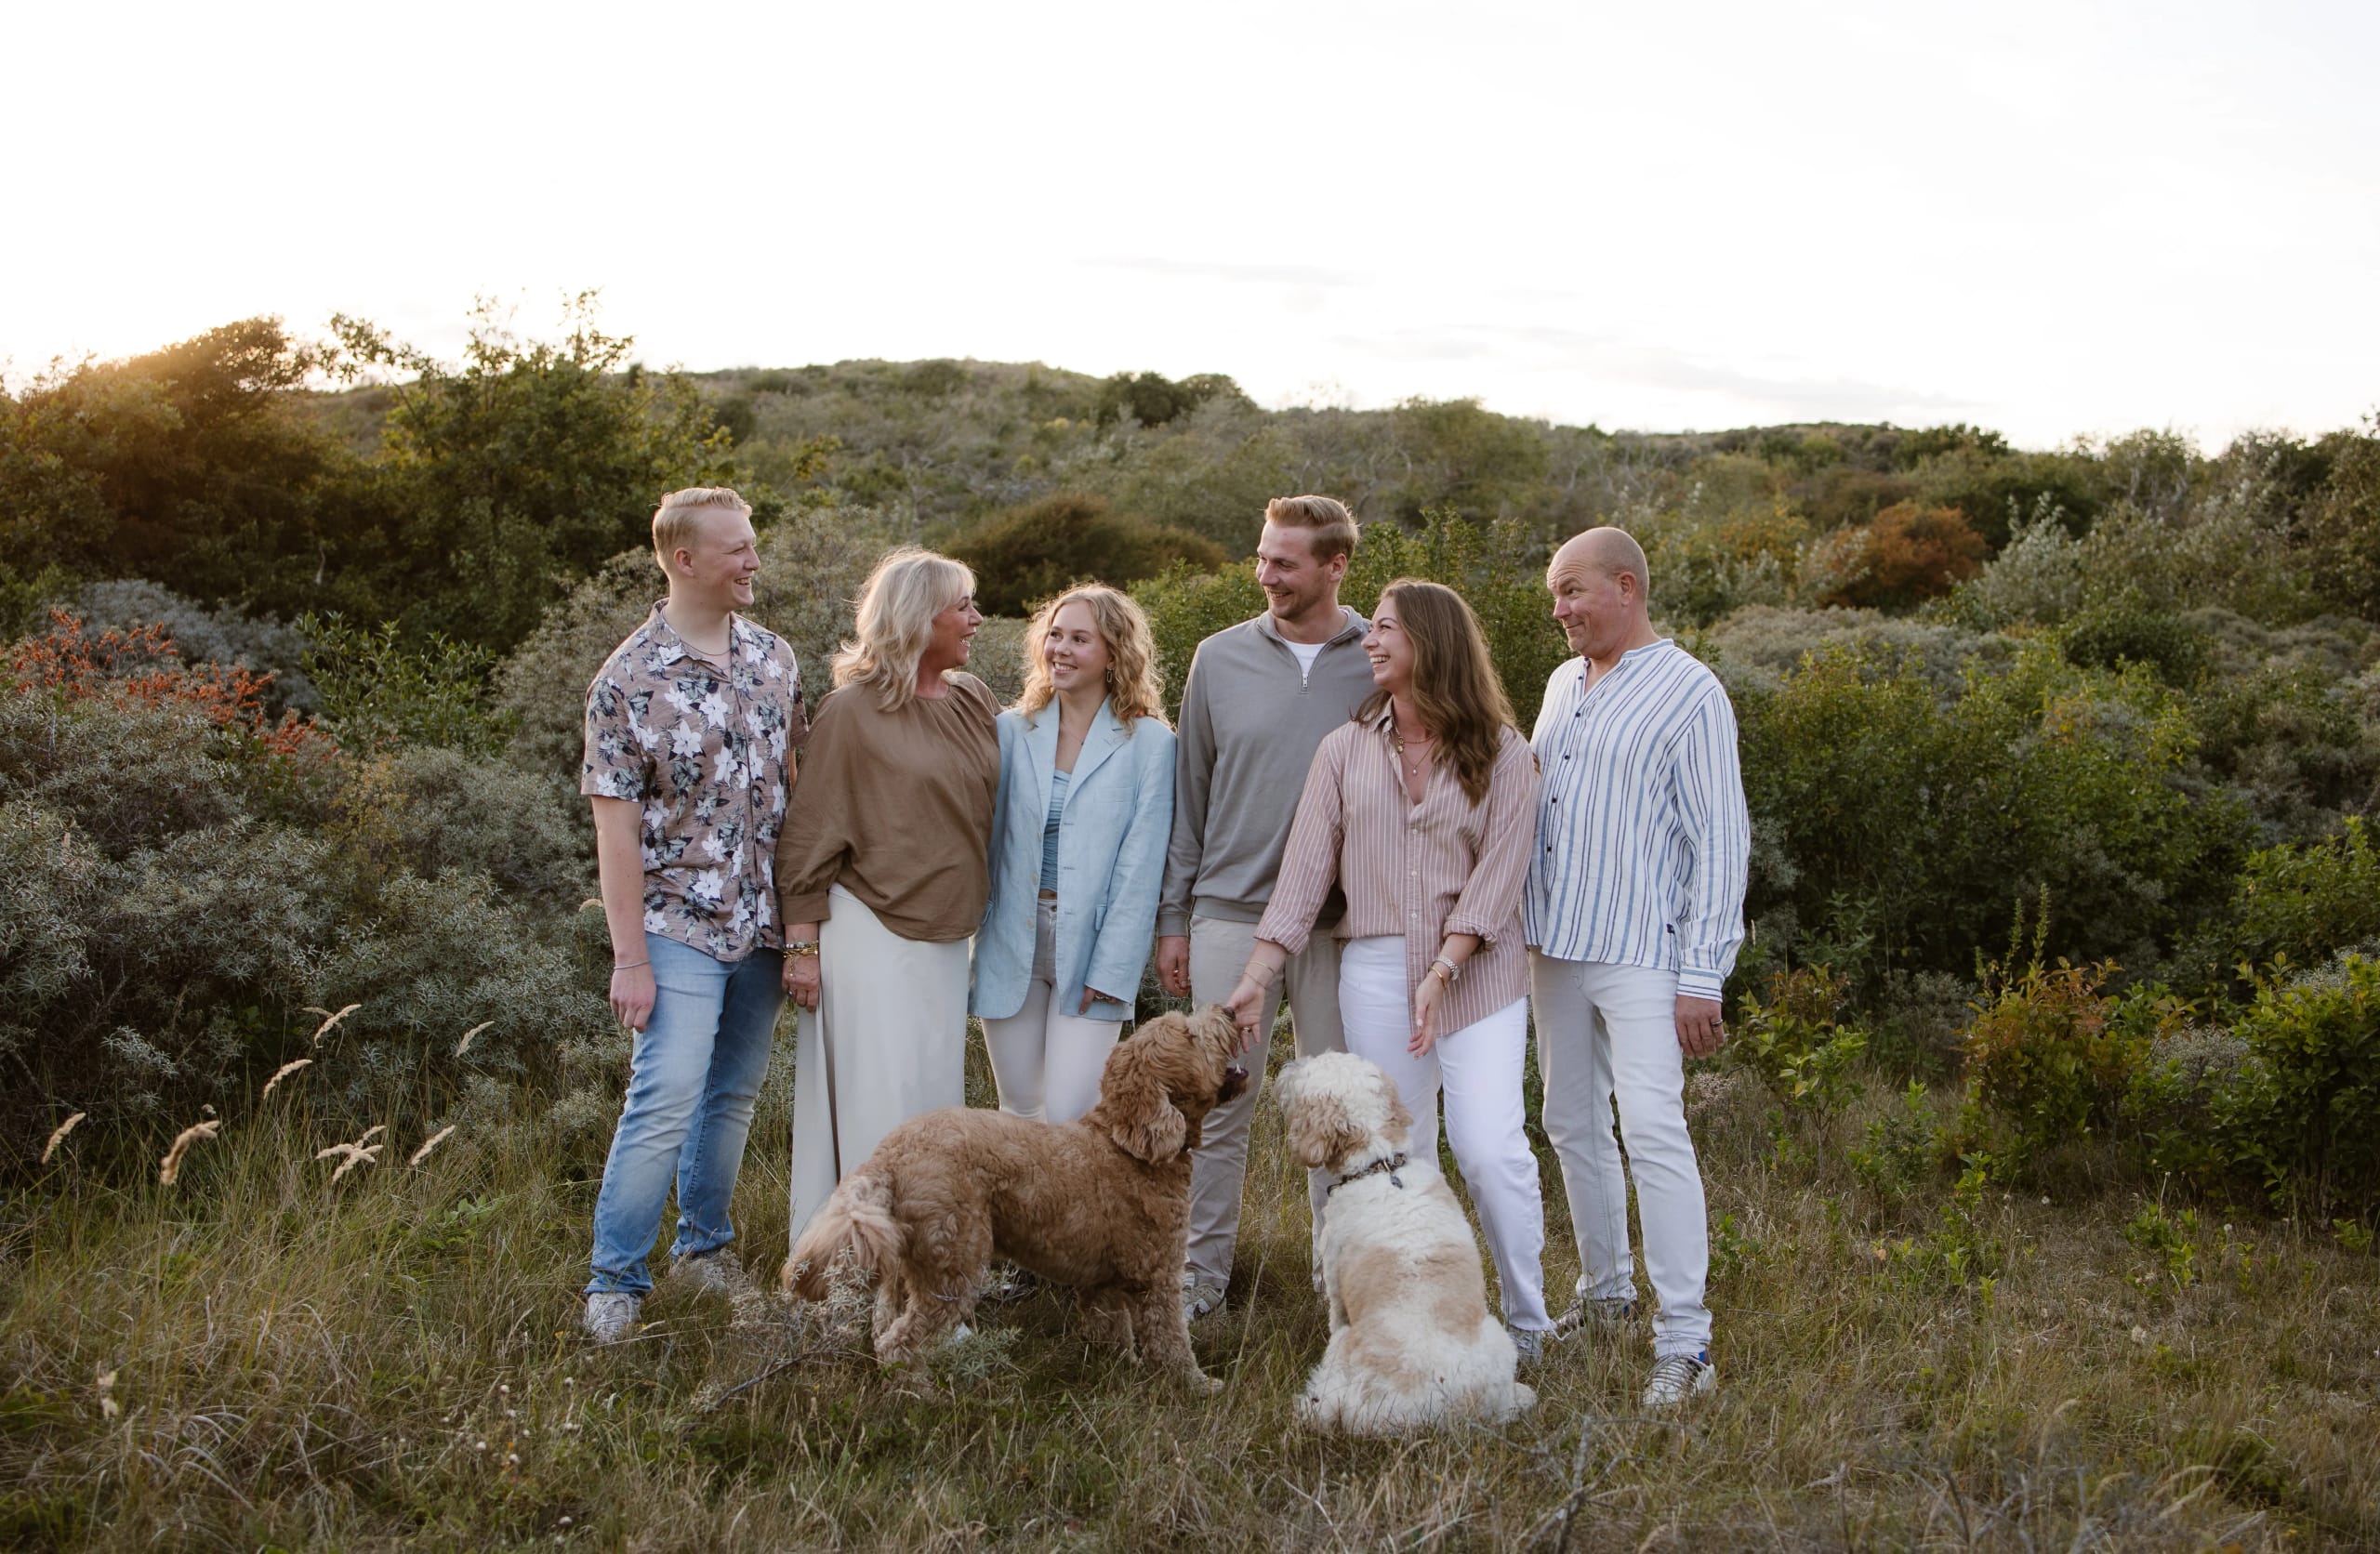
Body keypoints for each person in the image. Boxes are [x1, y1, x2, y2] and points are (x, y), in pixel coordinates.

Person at [1223, 579, 1553, 1358]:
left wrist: (1442, 968)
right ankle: (1421, 1318)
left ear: (1430, 643)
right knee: (1398, 1158)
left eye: (1384, 629)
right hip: (1373, 970)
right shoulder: (1343, 750)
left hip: (1479, 975)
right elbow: (1304, 876)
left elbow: (1500, 877)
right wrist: (1257, 978)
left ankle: (1527, 1321)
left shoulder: (1506, 754)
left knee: (1489, 1148)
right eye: (1370, 629)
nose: (1368, 642)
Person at [1526, 526, 1751, 1407]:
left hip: (1644, 953)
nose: (1560, 609)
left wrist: (1703, 974)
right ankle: (1606, 1295)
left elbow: (1721, 841)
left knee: (1653, 1129)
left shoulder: (1691, 691)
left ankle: (1686, 1341)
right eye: (1555, 594)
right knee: (1569, 1122)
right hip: (1554, 945)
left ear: (1626, 587)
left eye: (1573, 591)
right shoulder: (1562, 685)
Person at [579, 486, 806, 1343]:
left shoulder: (775, 659)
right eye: (737, 548)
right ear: (684, 560)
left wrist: (804, 926)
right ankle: (615, 1282)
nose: (754, 561)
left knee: (733, 1095)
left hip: (763, 923)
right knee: (665, 1094)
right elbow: (615, 832)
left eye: (752, 543)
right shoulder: (626, 681)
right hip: (676, 924)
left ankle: (703, 1250)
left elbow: (797, 793)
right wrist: (628, 958)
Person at [1157, 494, 1375, 1322]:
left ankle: (1340, 1286)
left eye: (1284, 562)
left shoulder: (1382, 653)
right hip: (1232, 914)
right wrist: (1174, 917)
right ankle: (1198, 1282)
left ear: (1335, 565)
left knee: (1336, 1106)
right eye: (1261, 557)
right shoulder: (1217, 658)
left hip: (1341, 925)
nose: (1265, 575)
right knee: (1217, 1103)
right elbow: (1190, 798)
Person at [775, 548, 999, 1246]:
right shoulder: (851, 712)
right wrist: (802, 948)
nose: (976, 619)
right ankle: (851, 1263)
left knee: (934, 1111)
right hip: (871, 933)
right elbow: (810, 833)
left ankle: (927, 1259)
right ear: (918, 617)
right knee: (880, 1110)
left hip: (948, 939)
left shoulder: (973, 698)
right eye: (962, 606)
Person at [973, 585, 1176, 1125]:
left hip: (1092, 948)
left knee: (1071, 1118)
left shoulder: (1151, 744)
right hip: (1010, 942)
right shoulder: (1010, 730)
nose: (1060, 649)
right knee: (1018, 1112)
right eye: (1055, 635)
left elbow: (1141, 871)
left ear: (1114, 654)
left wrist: (1112, 969)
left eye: (1080, 639)